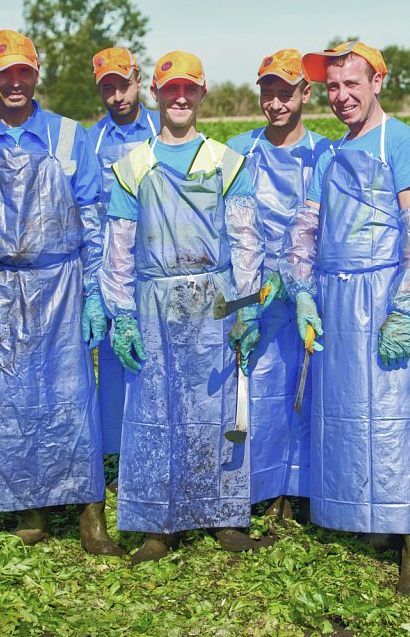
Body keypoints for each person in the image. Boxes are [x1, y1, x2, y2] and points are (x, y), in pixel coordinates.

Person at [0, 29, 120, 556]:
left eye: (25, 72)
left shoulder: (67, 136)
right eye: (5, 73)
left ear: (37, 74)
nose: (15, 83)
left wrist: (95, 293)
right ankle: (30, 509)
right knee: (6, 401)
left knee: (71, 398)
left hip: (59, 283)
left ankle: (91, 516)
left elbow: (93, 217)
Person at [278, 41, 410, 595]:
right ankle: (368, 520)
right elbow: (306, 225)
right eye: (332, 88)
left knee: (396, 414)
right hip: (334, 295)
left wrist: (403, 306)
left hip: (384, 291)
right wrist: (302, 290)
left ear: (377, 82)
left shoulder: (404, 143)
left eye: (352, 84)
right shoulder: (329, 152)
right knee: (347, 410)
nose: (342, 97)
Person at [100, 50, 267, 564]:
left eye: (188, 89)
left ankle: (221, 514)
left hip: (214, 301)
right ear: (155, 92)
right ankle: (158, 521)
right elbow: (118, 247)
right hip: (153, 303)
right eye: (169, 88)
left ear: (201, 94)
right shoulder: (132, 166)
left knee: (214, 408)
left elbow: (245, 240)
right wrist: (121, 313)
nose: (179, 97)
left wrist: (247, 304)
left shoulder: (226, 161)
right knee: (155, 408)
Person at [225, 49, 328, 522]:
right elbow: (234, 229)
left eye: (286, 93)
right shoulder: (239, 150)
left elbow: (317, 223)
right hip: (257, 287)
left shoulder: (326, 152)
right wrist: (249, 295)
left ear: (305, 93)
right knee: (258, 386)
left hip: (306, 286)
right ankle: (263, 487)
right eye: (268, 93)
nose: (276, 103)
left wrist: (298, 280)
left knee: (306, 387)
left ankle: (303, 488)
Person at [87, 47, 160, 460]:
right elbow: (85, 212)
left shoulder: (159, 130)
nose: (118, 96)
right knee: (114, 365)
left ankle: (154, 445)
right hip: (110, 266)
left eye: (124, 85)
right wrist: (95, 286)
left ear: (138, 80)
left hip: (156, 264)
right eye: (108, 88)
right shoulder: (90, 140)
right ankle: (117, 455)